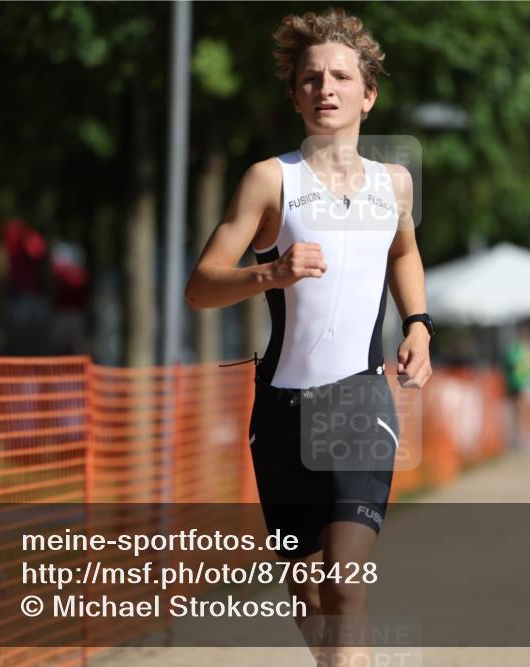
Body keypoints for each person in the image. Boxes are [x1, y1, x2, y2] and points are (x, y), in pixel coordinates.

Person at [184, 9, 431, 665]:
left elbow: (404, 253)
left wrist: (418, 325)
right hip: (283, 409)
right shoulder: (272, 179)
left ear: (367, 94)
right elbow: (201, 286)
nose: (327, 87)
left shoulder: (394, 185)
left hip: (358, 400)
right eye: (312, 77)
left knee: (345, 582)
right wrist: (271, 269)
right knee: (310, 594)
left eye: (341, 77)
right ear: (295, 94)